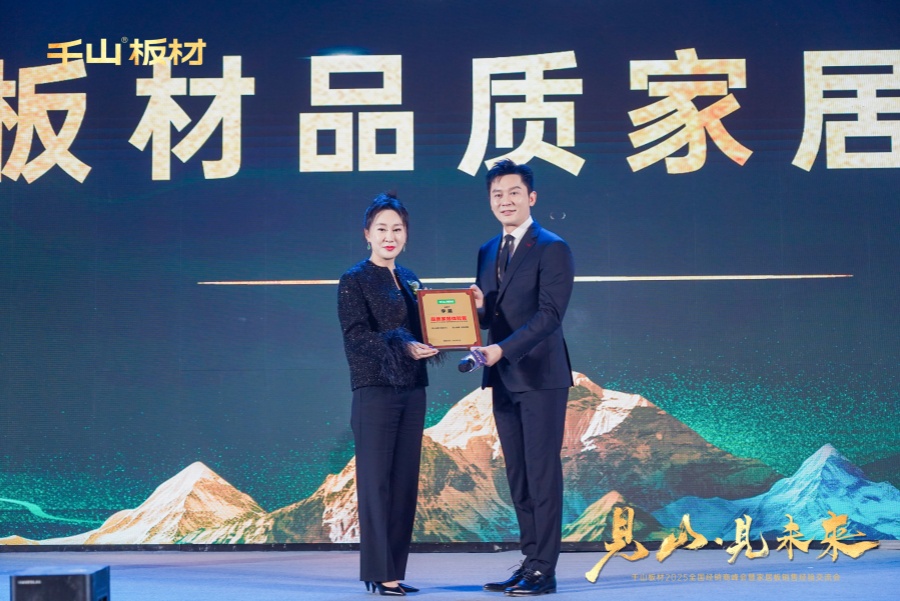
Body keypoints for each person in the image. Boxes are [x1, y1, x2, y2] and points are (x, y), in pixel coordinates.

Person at [469, 159, 575, 596]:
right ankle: (529, 561)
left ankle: (544, 571)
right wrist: (476, 311)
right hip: (502, 377)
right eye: (497, 194)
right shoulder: (487, 250)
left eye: (513, 192)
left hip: (540, 377)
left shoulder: (552, 247)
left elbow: (549, 316)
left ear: (531, 197)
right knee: (518, 475)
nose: (505, 201)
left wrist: (501, 349)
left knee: (542, 474)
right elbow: (492, 315)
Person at [338, 193, 439, 596]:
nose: (389, 236)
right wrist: (402, 345)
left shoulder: (412, 278)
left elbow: (432, 325)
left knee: (404, 483)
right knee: (376, 483)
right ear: (367, 234)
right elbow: (356, 337)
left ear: (406, 235)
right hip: (375, 390)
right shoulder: (354, 279)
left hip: (413, 389)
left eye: (397, 229)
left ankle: (394, 569)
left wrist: (456, 323)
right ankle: (379, 572)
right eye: (381, 228)